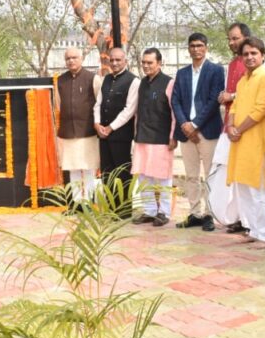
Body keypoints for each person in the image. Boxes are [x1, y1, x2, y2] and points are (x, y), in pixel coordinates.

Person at [172, 32, 225, 231]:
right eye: (192, 45)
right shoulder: (182, 73)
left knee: (210, 174)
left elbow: (213, 101)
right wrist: (185, 124)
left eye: (200, 45)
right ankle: (194, 213)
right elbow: (175, 100)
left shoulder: (216, 70)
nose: (196, 49)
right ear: (188, 49)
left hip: (207, 130)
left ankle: (209, 214)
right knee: (191, 175)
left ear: (206, 47)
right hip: (186, 132)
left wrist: (195, 125)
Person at [225, 38, 265, 244]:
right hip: (240, 142)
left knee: (259, 190)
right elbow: (234, 107)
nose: (249, 57)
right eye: (245, 54)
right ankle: (253, 230)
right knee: (244, 187)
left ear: (263, 55)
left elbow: (261, 109)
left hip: (256, 141)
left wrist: (239, 129)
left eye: (254, 53)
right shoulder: (243, 80)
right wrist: (229, 126)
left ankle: (264, 234)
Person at [131, 48, 176, 226]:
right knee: (143, 176)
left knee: (164, 176)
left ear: (159, 63)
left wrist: (173, 136)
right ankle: (149, 211)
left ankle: (164, 212)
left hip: (162, 137)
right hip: (142, 136)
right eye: (144, 62)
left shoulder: (169, 82)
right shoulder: (142, 83)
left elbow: (174, 112)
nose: (146, 66)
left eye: (150, 62)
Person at [54, 46, 102, 207]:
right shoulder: (60, 81)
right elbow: (59, 105)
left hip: (88, 131)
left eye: (74, 57)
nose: (71, 61)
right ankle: (75, 203)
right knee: (72, 168)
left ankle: (88, 202)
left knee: (88, 168)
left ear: (81, 59)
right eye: (68, 58)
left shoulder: (92, 78)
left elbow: (99, 103)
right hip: (68, 132)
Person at [93, 46, 138, 210]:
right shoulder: (105, 79)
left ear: (125, 61)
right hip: (103, 135)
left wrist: (110, 128)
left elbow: (129, 110)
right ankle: (110, 207)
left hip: (121, 136)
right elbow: (98, 104)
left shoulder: (134, 81)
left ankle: (124, 209)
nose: (114, 63)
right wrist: (97, 124)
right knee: (107, 173)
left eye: (118, 59)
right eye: (112, 59)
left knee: (122, 173)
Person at [218, 22, 252, 235]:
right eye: (230, 39)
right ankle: (238, 217)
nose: (232, 42)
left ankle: (251, 223)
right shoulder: (232, 64)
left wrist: (231, 96)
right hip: (229, 125)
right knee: (231, 175)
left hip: (247, 127)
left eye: (236, 38)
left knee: (246, 176)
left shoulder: (253, 63)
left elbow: (255, 92)